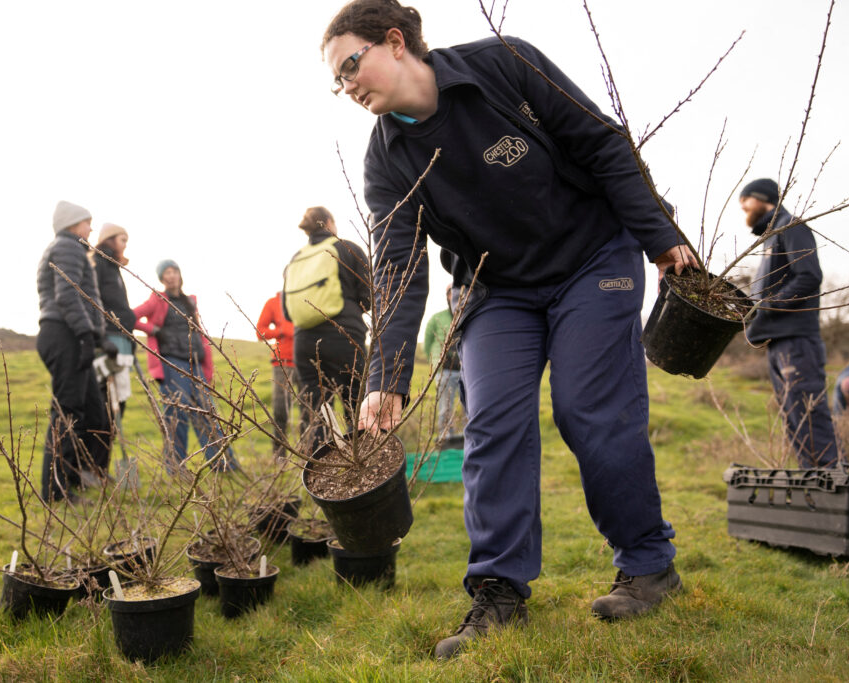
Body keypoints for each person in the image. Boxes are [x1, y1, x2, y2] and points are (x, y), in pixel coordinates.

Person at [322, 0, 692, 658]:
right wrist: (385, 378)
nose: (348, 85)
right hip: (496, 290)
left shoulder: (502, 65)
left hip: (591, 257)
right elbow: (400, 268)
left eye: (351, 65)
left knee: (588, 410)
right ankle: (499, 592)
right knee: (489, 424)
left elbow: (602, 143)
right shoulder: (387, 162)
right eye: (337, 80)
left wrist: (660, 239)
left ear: (396, 41)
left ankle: (648, 565)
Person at [740, 178, 839, 468]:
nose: (743, 207)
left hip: (796, 342)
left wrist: (766, 307)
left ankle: (835, 495)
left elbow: (808, 277)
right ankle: (814, 497)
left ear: (761, 198)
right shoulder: (770, 237)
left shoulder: (791, 227)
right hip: (779, 344)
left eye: (745, 200)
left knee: (810, 421)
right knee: (796, 424)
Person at [36, 200, 113, 501]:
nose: (91, 228)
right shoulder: (68, 247)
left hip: (71, 334)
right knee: (67, 413)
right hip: (65, 334)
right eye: (87, 222)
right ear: (72, 223)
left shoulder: (70, 248)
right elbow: (67, 294)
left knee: (95, 414)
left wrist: (95, 337)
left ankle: (78, 477)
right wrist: (85, 334)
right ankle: (55, 491)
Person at [133, 260, 239, 472]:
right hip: (172, 362)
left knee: (207, 412)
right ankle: (175, 466)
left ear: (180, 275)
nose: (171, 276)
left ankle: (223, 464)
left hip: (195, 363)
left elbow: (198, 331)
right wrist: (153, 329)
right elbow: (131, 316)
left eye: (174, 272)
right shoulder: (157, 299)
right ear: (162, 278)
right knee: (176, 414)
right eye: (167, 273)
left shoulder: (190, 301)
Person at [283, 206, 371, 451]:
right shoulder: (347, 248)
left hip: (304, 344)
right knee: (356, 404)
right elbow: (369, 297)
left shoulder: (295, 259)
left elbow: (288, 312)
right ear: (330, 223)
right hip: (344, 336)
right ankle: (363, 468)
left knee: (316, 413)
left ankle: (323, 478)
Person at [93, 223, 137, 421]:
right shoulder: (97, 262)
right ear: (110, 239)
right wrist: (101, 338)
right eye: (123, 240)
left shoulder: (113, 266)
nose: (125, 245)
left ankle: (109, 446)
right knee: (107, 395)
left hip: (121, 338)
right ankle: (103, 447)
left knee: (121, 395)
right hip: (109, 337)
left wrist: (130, 335)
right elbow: (93, 299)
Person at [256, 291, 297, 459]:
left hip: (308, 361)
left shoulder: (307, 297)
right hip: (283, 363)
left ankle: (312, 456)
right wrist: (282, 330)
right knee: (280, 410)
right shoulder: (273, 302)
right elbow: (260, 332)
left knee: (312, 411)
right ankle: (279, 457)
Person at [423, 284, 464, 445]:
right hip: (445, 371)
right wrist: (435, 361)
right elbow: (427, 344)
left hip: (466, 370)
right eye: (451, 293)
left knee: (468, 406)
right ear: (447, 296)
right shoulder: (437, 318)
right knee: (445, 407)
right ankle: (446, 438)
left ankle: (466, 437)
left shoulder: (467, 316)